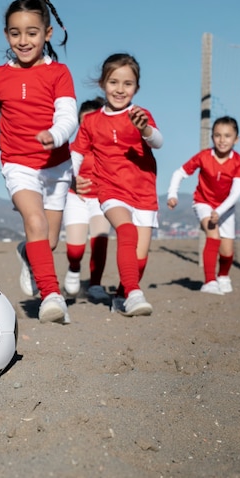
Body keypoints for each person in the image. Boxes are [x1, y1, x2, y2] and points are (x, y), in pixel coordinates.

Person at [0, 0, 78, 324]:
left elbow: (69, 116)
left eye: (32, 32)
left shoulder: (59, 73)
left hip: (56, 166)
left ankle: (27, 253)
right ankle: (51, 296)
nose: (23, 40)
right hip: (18, 163)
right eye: (15, 33)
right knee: (35, 223)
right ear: (6, 34)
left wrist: (54, 135)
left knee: (48, 242)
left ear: (47, 34)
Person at [71, 53, 163, 317]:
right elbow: (77, 153)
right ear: (102, 83)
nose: (120, 89)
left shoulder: (140, 115)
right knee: (126, 229)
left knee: (140, 257)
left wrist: (145, 130)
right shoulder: (91, 121)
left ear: (136, 87)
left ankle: (123, 295)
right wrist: (75, 178)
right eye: (113, 82)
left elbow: (158, 141)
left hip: (144, 193)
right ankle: (134, 292)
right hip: (111, 190)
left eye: (127, 83)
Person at [167, 116, 240, 295]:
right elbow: (179, 173)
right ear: (212, 137)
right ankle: (209, 281)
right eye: (217, 135)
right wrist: (173, 194)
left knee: (227, 250)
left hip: (225, 208)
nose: (222, 140)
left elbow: (236, 193)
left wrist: (219, 211)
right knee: (213, 234)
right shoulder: (203, 157)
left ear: (236, 139)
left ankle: (223, 276)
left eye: (227, 136)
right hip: (203, 202)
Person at [63, 97, 112, 304]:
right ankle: (74, 268)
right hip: (76, 200)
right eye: (85, 122)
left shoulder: (111, 148)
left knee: (100, 241)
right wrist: (72, 182)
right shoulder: (70, 149)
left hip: (101, 200)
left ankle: (95, 284)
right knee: (76, 250)